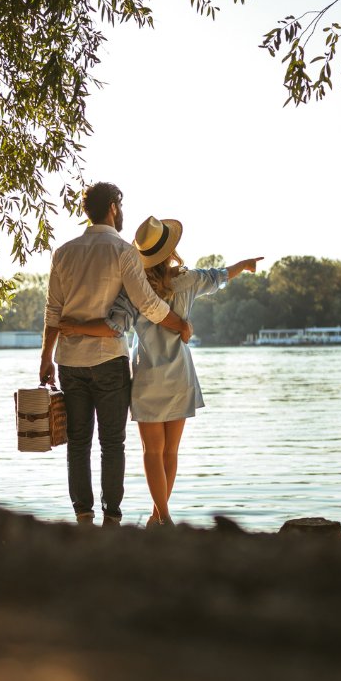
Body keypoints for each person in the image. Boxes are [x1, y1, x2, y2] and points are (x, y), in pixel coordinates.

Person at [60, 215, 261, 526]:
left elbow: (114, 327)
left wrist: (75, 326)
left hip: (148, 378)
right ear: (171, 251)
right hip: (180, 373)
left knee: (152, 452)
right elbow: (220, 275)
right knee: (171, 452)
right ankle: (160, 515)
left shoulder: (133, 291)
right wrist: (244, 264)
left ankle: (161, 515)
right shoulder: (189, 281)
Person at [42, 183, 193, 526]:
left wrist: (45, 359)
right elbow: (148, 305)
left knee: (78, 442)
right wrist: (181, 325)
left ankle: (83, 519)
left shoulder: (63, 252)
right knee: (112, 443)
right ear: (112, 207)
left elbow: (53, 311)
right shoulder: (123, 251)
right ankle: (111, 521)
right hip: (109, 360)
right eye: (120, 206)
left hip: (69, 362)